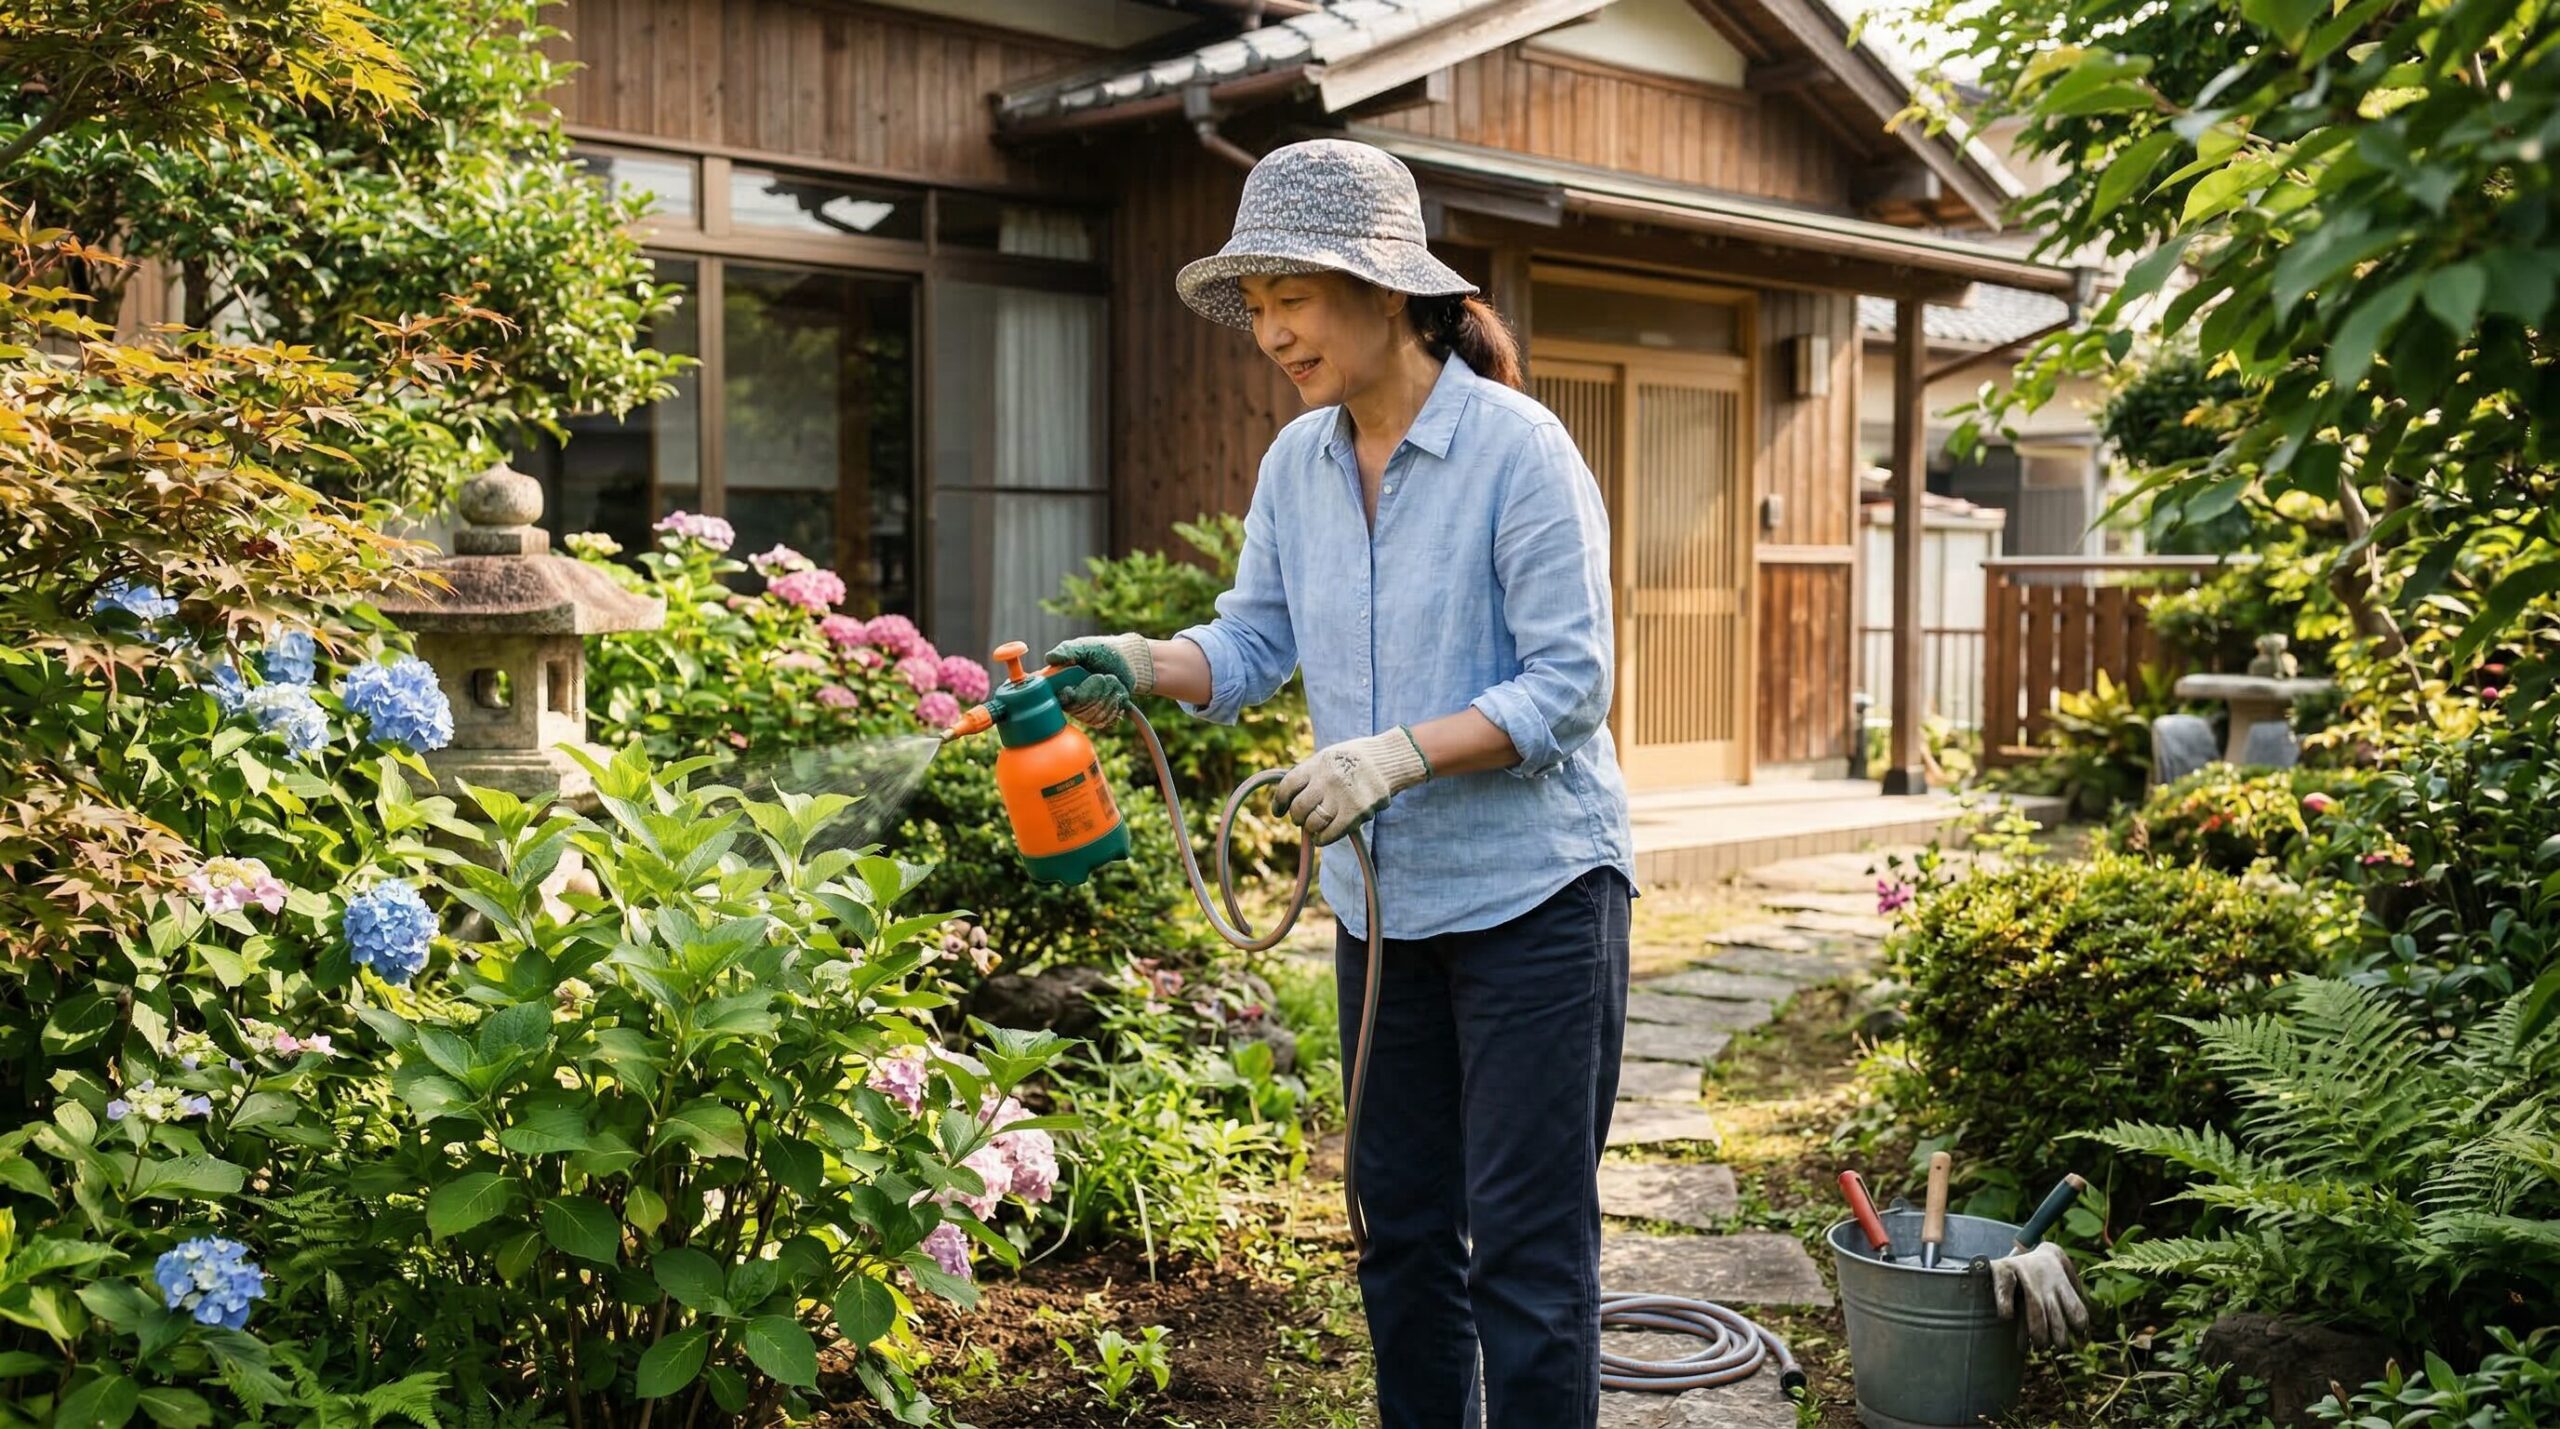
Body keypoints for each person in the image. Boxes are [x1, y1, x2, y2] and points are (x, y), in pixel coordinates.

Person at [1045, 138, 1637, 1429]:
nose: (1271, 333)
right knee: (1404, 1236)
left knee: (1531, 1257)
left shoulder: (1516, 451)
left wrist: (1397, 750)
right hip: (1387, 908)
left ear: (1387, 291)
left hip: (1537, 899)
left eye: (1292, 298)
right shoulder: (1298, 467)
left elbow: (1572, 682)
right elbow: (1253, 644)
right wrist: (1143, 661)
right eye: (1254, 309)